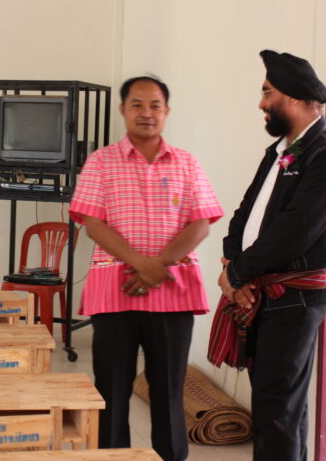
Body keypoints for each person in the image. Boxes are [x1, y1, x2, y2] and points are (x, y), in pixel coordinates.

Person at [212, 50, 326, 461]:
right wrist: (232, 262)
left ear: (292, 97)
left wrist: (236, 275)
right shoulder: (279, 150)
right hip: (260, 288)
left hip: (293, 298)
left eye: (267, 92)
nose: (261, 103)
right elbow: (245, 212)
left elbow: (295, 232)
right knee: (279, 408)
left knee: (276, 410)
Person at [69, 75, 224, 461]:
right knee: (111, 390)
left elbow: (201, 223)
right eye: (137, 104)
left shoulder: (186, 163)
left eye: (155, 105)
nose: (146, 113)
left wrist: (159, 265)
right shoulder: (101, 162)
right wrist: (143, 265)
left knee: (169, 391)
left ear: (166, 111)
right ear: (123, 109)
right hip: (115, 291)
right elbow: (92, 223)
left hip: (173, 294)